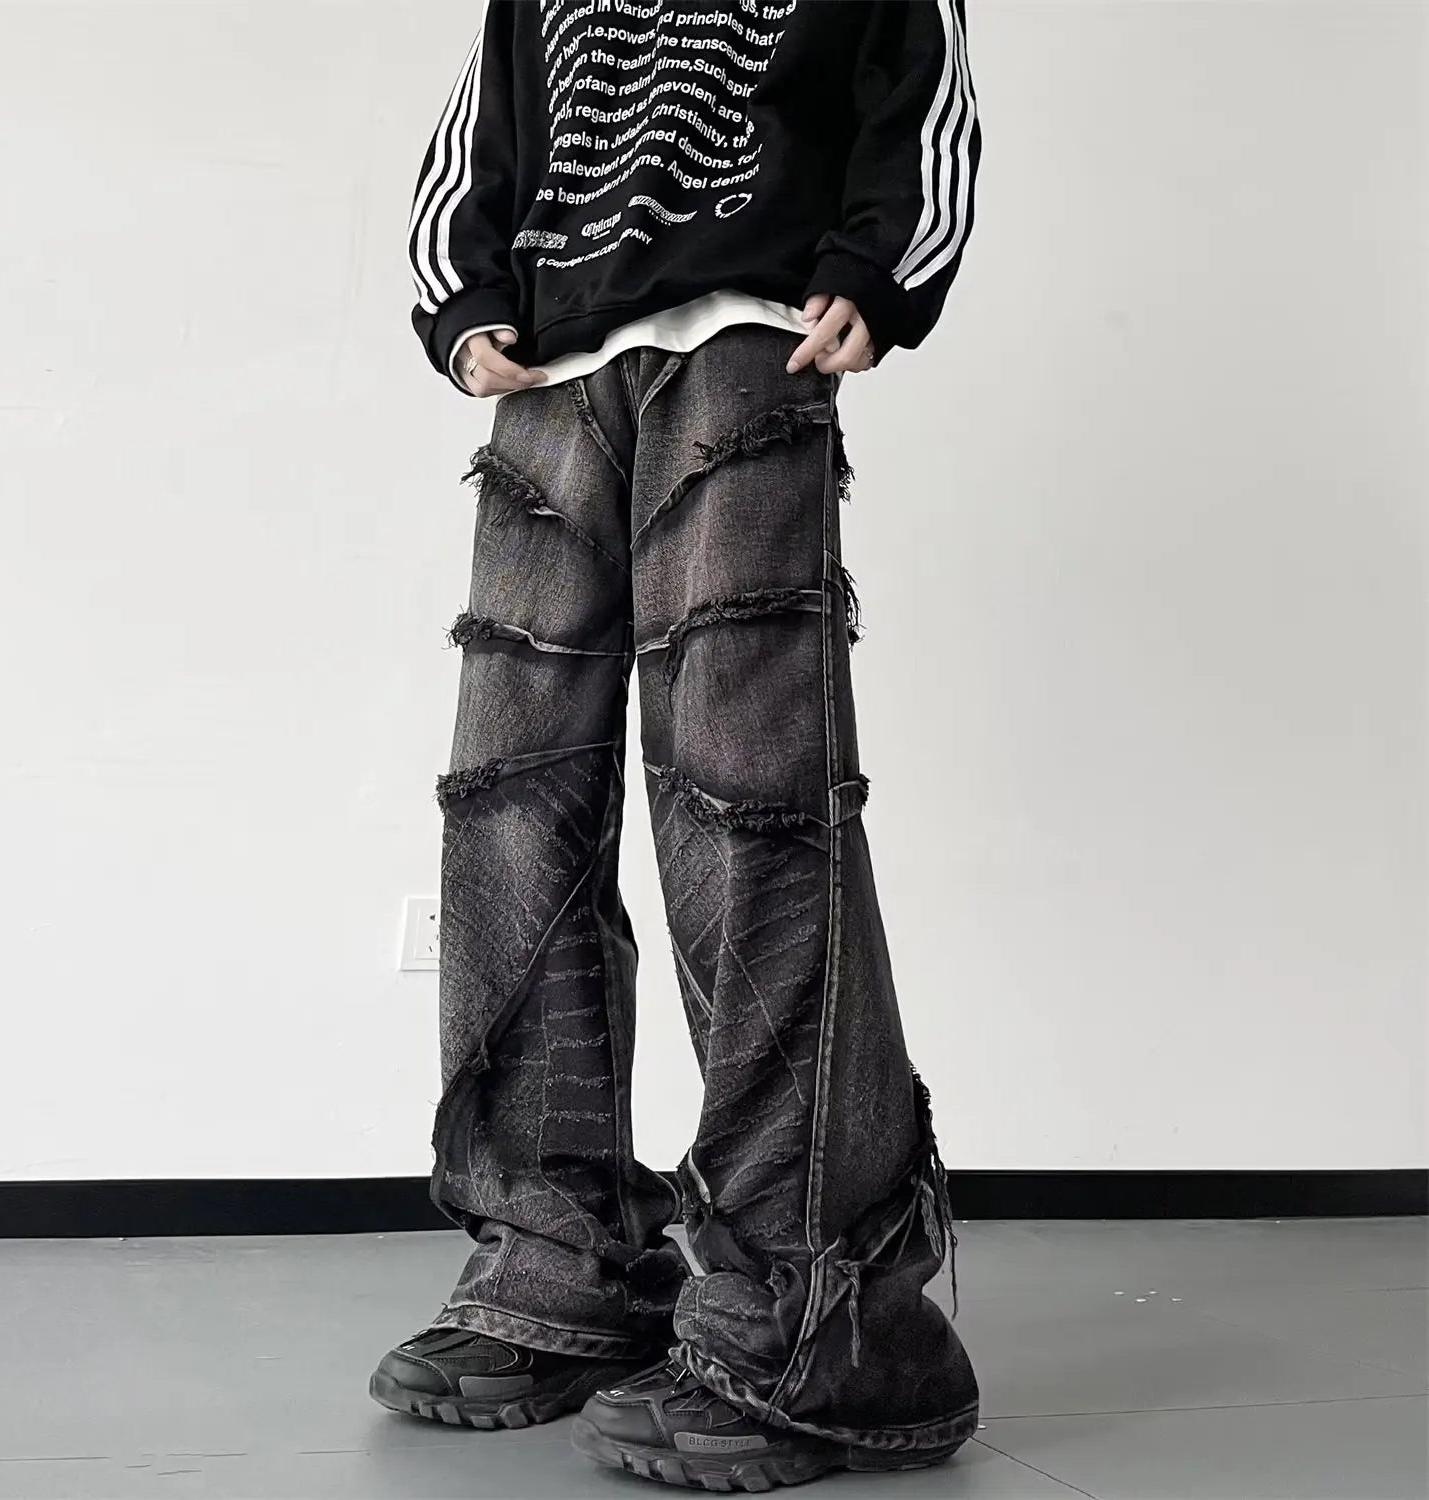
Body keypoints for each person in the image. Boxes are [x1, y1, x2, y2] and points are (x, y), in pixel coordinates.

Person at [373, 1, 982, 1488]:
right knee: (510, 808)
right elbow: (482, 127)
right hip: (554, 376)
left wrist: (878, 265)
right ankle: (558, 1256)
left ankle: (819, 1300)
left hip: (754, 348)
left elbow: (926, 83)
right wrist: (462, 299)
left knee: (748, 804)